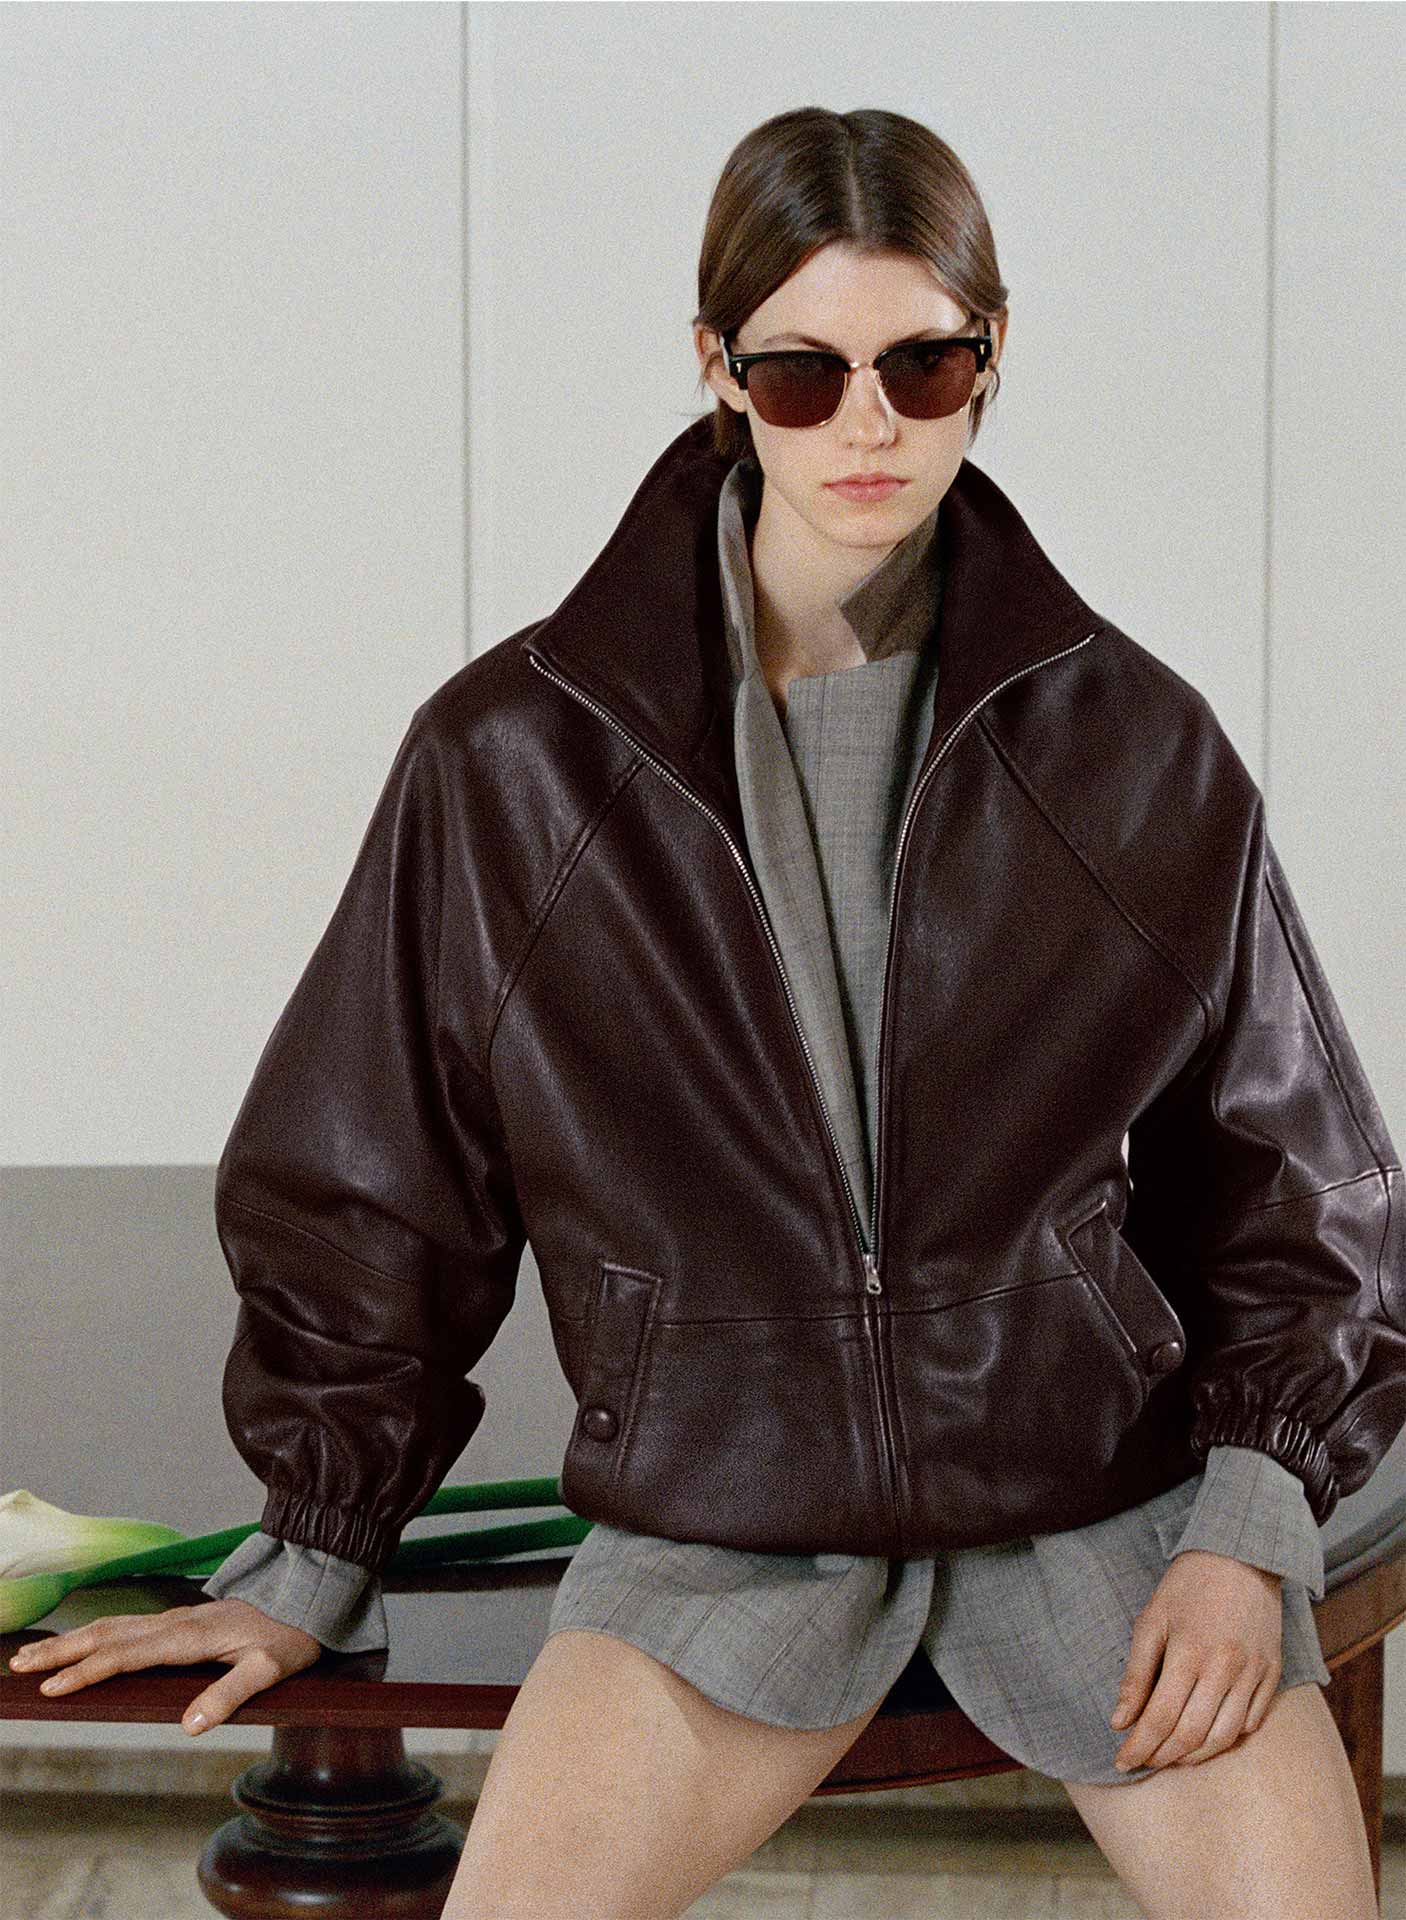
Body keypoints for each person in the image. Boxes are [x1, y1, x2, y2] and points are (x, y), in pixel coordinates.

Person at [11, 107, 1397, 1920]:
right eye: (803, 373)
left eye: (923, 363)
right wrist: (314, 1548)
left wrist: (1245, 1528)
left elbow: (1302, 1184)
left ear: (992, 354)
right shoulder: (517, 761)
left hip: (1094, 1513)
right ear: (717, 370)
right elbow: (375, 1180)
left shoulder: (1135, 745)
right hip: (719, 1524)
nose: (868, 424)